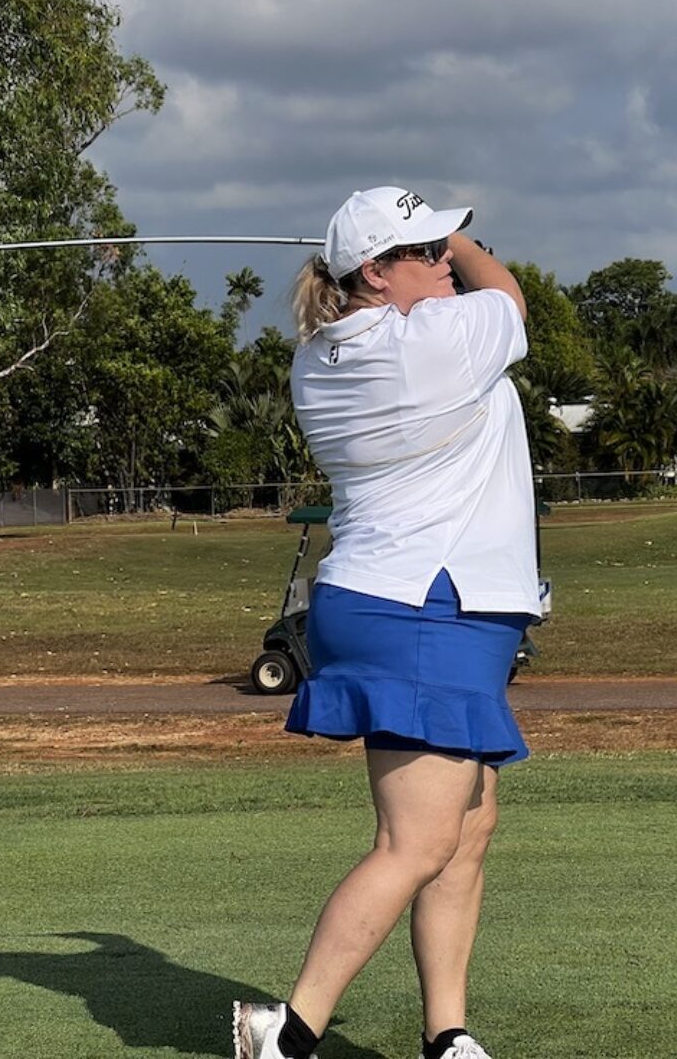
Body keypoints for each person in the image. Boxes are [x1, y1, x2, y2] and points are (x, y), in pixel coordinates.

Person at [232, 186, 540, 1059]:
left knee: (465, 829)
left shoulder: (320, 356)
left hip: (413, 604)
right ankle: (285, 1033)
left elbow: (455, 295)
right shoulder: (432, 340)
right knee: (419, 840)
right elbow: (509, 296)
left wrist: (424, 244)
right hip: (425, 607)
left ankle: (447, 1034)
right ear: (375, 272)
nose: (446, 262)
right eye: (428, 250)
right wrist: (469, 242)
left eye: (445, 248)